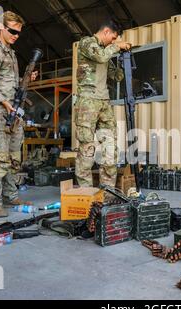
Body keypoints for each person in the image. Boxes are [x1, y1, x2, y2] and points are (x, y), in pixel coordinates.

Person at [0, 11, 38, 217]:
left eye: (19, 32)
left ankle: (11, 195)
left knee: (14, 157)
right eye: (12, 31)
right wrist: (4, 103)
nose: (16, 35)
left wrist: (26, 78)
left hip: (14, 111)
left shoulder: (10, 53)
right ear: (1, 27)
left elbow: (8, 82)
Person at [75, 19, 131, 188]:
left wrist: (125, 61)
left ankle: (108, 192)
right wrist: (117, 47)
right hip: (87, 101)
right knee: (87, 147)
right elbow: (100, 57)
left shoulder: (106, 52)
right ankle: (85, 192)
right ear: (106, 31)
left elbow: (117, 76)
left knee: (110, 146)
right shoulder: (87, 43)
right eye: (113, 38)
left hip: (104, 102)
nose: (114, 42)